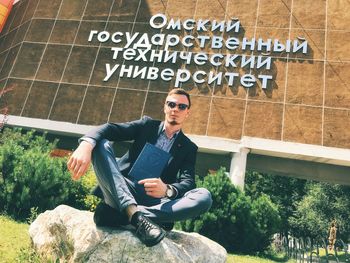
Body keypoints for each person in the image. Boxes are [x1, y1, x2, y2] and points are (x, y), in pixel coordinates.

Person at [67, 88, 212, 247]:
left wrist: (167, 190)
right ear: (165, 107)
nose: (175, 109)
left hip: (155, 200)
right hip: (123, 189)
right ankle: (136, 215)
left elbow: (188, 182)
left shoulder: (188, 147)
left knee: (204, 196)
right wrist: (87, 144)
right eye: (171, 104)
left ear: (187, 113)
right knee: (100, 143)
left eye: (181, 107)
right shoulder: (146, 126)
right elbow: (109, 129)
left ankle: (130, 214)